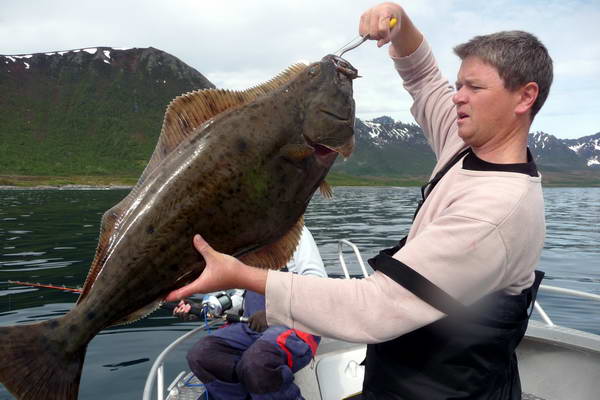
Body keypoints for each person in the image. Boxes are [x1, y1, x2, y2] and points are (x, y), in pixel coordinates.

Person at [167, 2, 552, 399]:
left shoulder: (497, 212)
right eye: (459, 86)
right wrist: (399, 22)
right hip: (405, 370)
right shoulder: (465, 145)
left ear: (524, 97)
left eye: (474, 87)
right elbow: (422, 77)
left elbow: (375, 306)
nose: (458, 97)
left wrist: (240, 274)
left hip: (447, 387)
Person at [173, 225, 327, 400]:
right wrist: (206, 307)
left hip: (297, 323)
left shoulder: (293, 230)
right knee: (202, 354)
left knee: (257, 362)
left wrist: (276, 311)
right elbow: (241, 295)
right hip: (252, 325)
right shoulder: (246, 237)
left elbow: (317, 285)